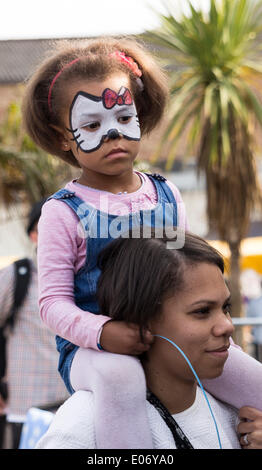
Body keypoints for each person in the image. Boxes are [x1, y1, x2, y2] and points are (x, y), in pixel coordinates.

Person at [22, 36, 262, 450]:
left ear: (140, 115)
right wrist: (104, 332)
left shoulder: (166, 195)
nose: (113, 134)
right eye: (92, 125)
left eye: (123, 117)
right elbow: (53, 304)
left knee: (253, 378)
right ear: (63, 138)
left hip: (167, 339)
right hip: (91, 352)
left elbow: (184, 274)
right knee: (122, 377)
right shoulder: (63, 211)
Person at [36, 231, 262, 449]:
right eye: (202, 311)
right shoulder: (83, 427)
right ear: (140, 321)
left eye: (226, 308)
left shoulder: (241, 416)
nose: (227, 326)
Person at [0, 200, 68, 449]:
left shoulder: (86, 280)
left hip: (74, 410)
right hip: (25, 410)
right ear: (34, 235)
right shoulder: (17, 277)